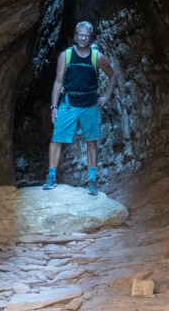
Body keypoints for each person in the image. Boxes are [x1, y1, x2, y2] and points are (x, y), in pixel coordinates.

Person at [42, 21, 115, 195]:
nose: (83, 38)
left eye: (86, 35)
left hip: (89, 104)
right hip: (68, 103)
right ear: (75, 36)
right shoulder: (65, 56)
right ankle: (51, 176)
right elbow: (58, 82)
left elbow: (112, 75)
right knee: (56, 139)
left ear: (90, 37)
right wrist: (54, 106)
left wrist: (107, 96)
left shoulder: (97, 57)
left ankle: (92, 180)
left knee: (91, 141)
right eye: (80, 35)